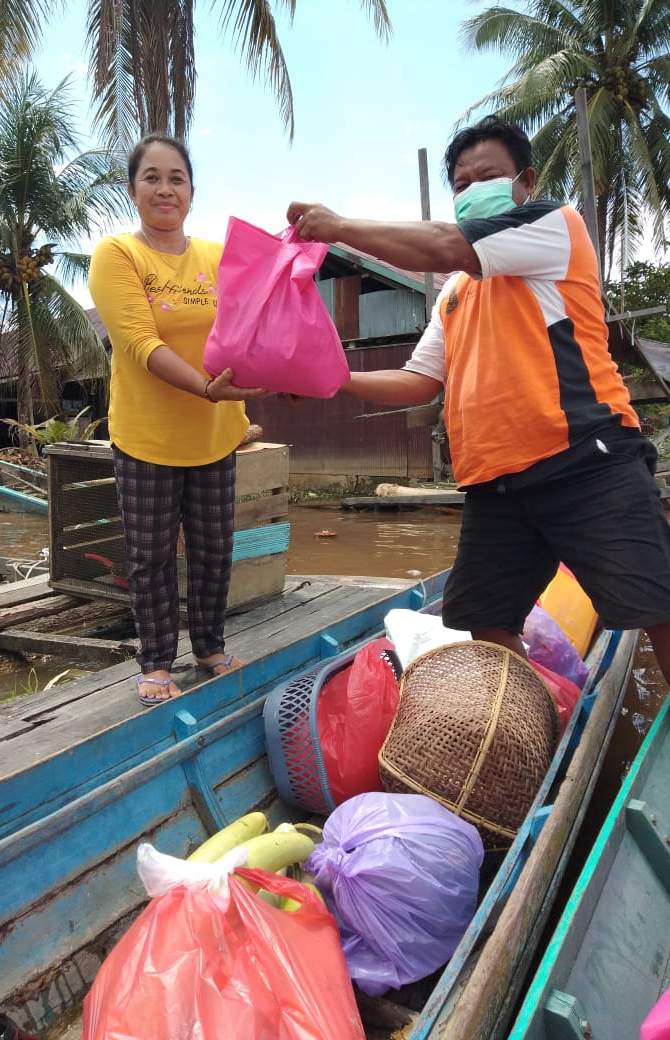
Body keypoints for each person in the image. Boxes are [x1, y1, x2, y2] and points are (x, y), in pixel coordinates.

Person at [287, 114, 670, 685]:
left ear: (526, 182)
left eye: (488, 176)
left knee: (655, 605)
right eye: (461, 185)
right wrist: (334, 377)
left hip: (586, 460)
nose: (472, 192)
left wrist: (338, 227)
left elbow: (445, 244)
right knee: (483, 618)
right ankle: (526, 721)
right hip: (497, 483)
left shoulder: (555, 225)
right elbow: (419, 380)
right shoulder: (457, 291)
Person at [89, 134, 267, 706]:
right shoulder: (118, 255)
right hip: (147, 435)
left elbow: (257, 325)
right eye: (152, 177)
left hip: (216, 435)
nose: (165, 188)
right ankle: (156, 661)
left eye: (177, 178)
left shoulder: (218, 257)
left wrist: (285, 379)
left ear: (192, 190)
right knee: (151, 556)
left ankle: (210, 647)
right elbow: (139, 342)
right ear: (133, 188)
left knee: (215, 549)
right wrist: (205, 389)